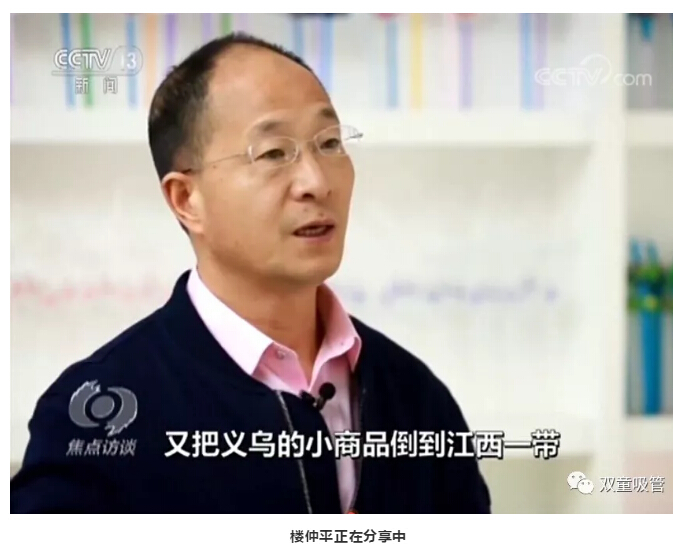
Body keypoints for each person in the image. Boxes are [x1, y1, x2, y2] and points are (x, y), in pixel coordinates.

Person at [10, 32, 491, 514]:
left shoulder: (415, 396)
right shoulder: (101, 415)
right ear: (186, 199)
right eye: (274, 153)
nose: (316, 182)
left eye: (329, 143)